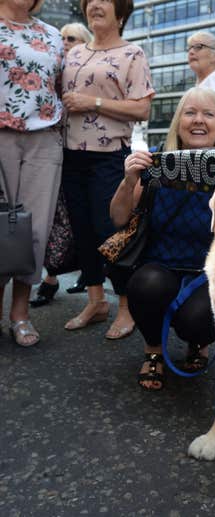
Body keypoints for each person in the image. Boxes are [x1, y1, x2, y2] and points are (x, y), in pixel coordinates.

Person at [110, 87, 215, 390]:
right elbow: (118, 218)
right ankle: (153, 350)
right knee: (146, 284)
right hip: (159, 268)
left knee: (199, 319)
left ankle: (198, 343)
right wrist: (129, 181)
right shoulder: (156, 162)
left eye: (209, 113)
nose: (199, 120)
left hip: (209, 274)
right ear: (178, 121)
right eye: (190, 112)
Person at [61, 0, 154, 340]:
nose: (95, 5)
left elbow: (142, 108)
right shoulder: (71, 53)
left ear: (121, 13)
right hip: (70, 154)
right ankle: (96, 301)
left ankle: (127, 307)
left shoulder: (133, 54)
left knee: (110, 230)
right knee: (82, 229)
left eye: (104, 1)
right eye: (89, 1)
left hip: (109, 156)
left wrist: (92, 102)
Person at [0, 0, 64, 346]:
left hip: (44, 138)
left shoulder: (51, 34)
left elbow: (59, 89)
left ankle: (20, 315)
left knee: (33, 231)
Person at [30, 21, 93, 308]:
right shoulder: (50, 70)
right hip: (48, 150)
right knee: (48, 219)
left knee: (77, 219)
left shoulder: (90, 75)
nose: (65, 42)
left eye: (73, 38)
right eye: (63, 38)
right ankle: (50, 278)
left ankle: (88, 274)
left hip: (80, 155)